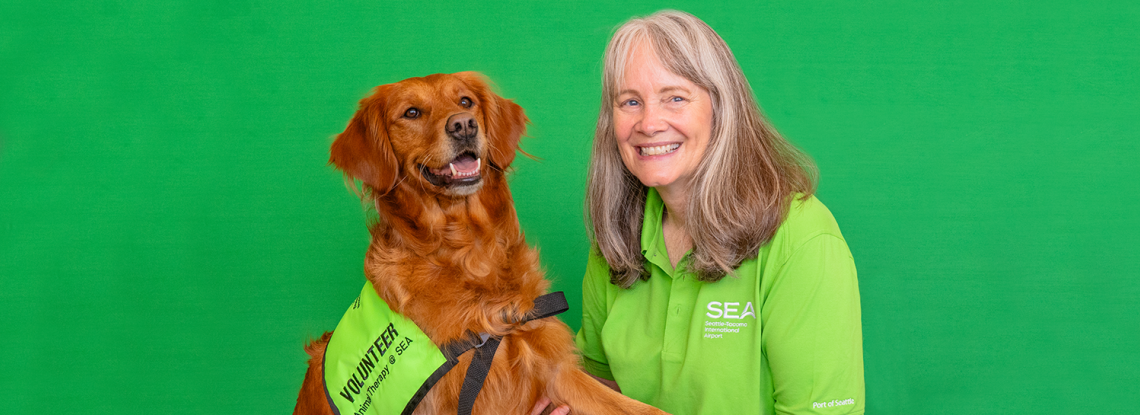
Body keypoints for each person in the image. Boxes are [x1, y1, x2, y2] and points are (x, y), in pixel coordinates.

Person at [534, 10, 865, 415]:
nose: (649, 123)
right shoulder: (616, 240)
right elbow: (603, 388)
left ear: (721, 109)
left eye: (675, 97)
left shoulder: (802, 237)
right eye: (630, 102)